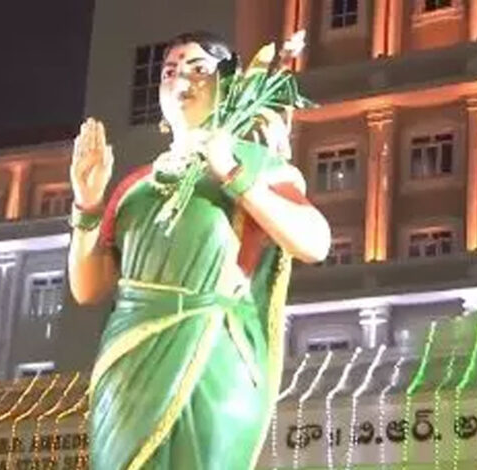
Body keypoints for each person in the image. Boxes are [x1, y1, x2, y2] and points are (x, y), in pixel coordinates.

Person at [67, 31, 330, 470]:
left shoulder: (256, 164)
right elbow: (88, 288)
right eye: (170, 72)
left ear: (229, 84)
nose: (181, 81)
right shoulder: (135, 186)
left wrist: (232, 172)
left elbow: (315, 243)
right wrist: (88, 205)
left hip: (213, 360)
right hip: (127, 368)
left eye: (199, 70)